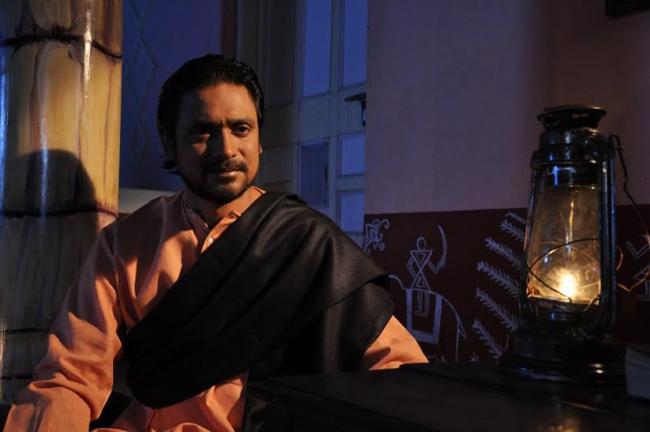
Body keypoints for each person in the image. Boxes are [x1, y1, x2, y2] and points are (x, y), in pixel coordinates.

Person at [3, 54, 427, 431]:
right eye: (203, 131)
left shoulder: (310, 246)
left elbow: (398, 373)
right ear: (170, 142)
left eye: (241, 128)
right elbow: (71, 375)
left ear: (259, 138)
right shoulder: (125, 244)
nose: (226, 149)